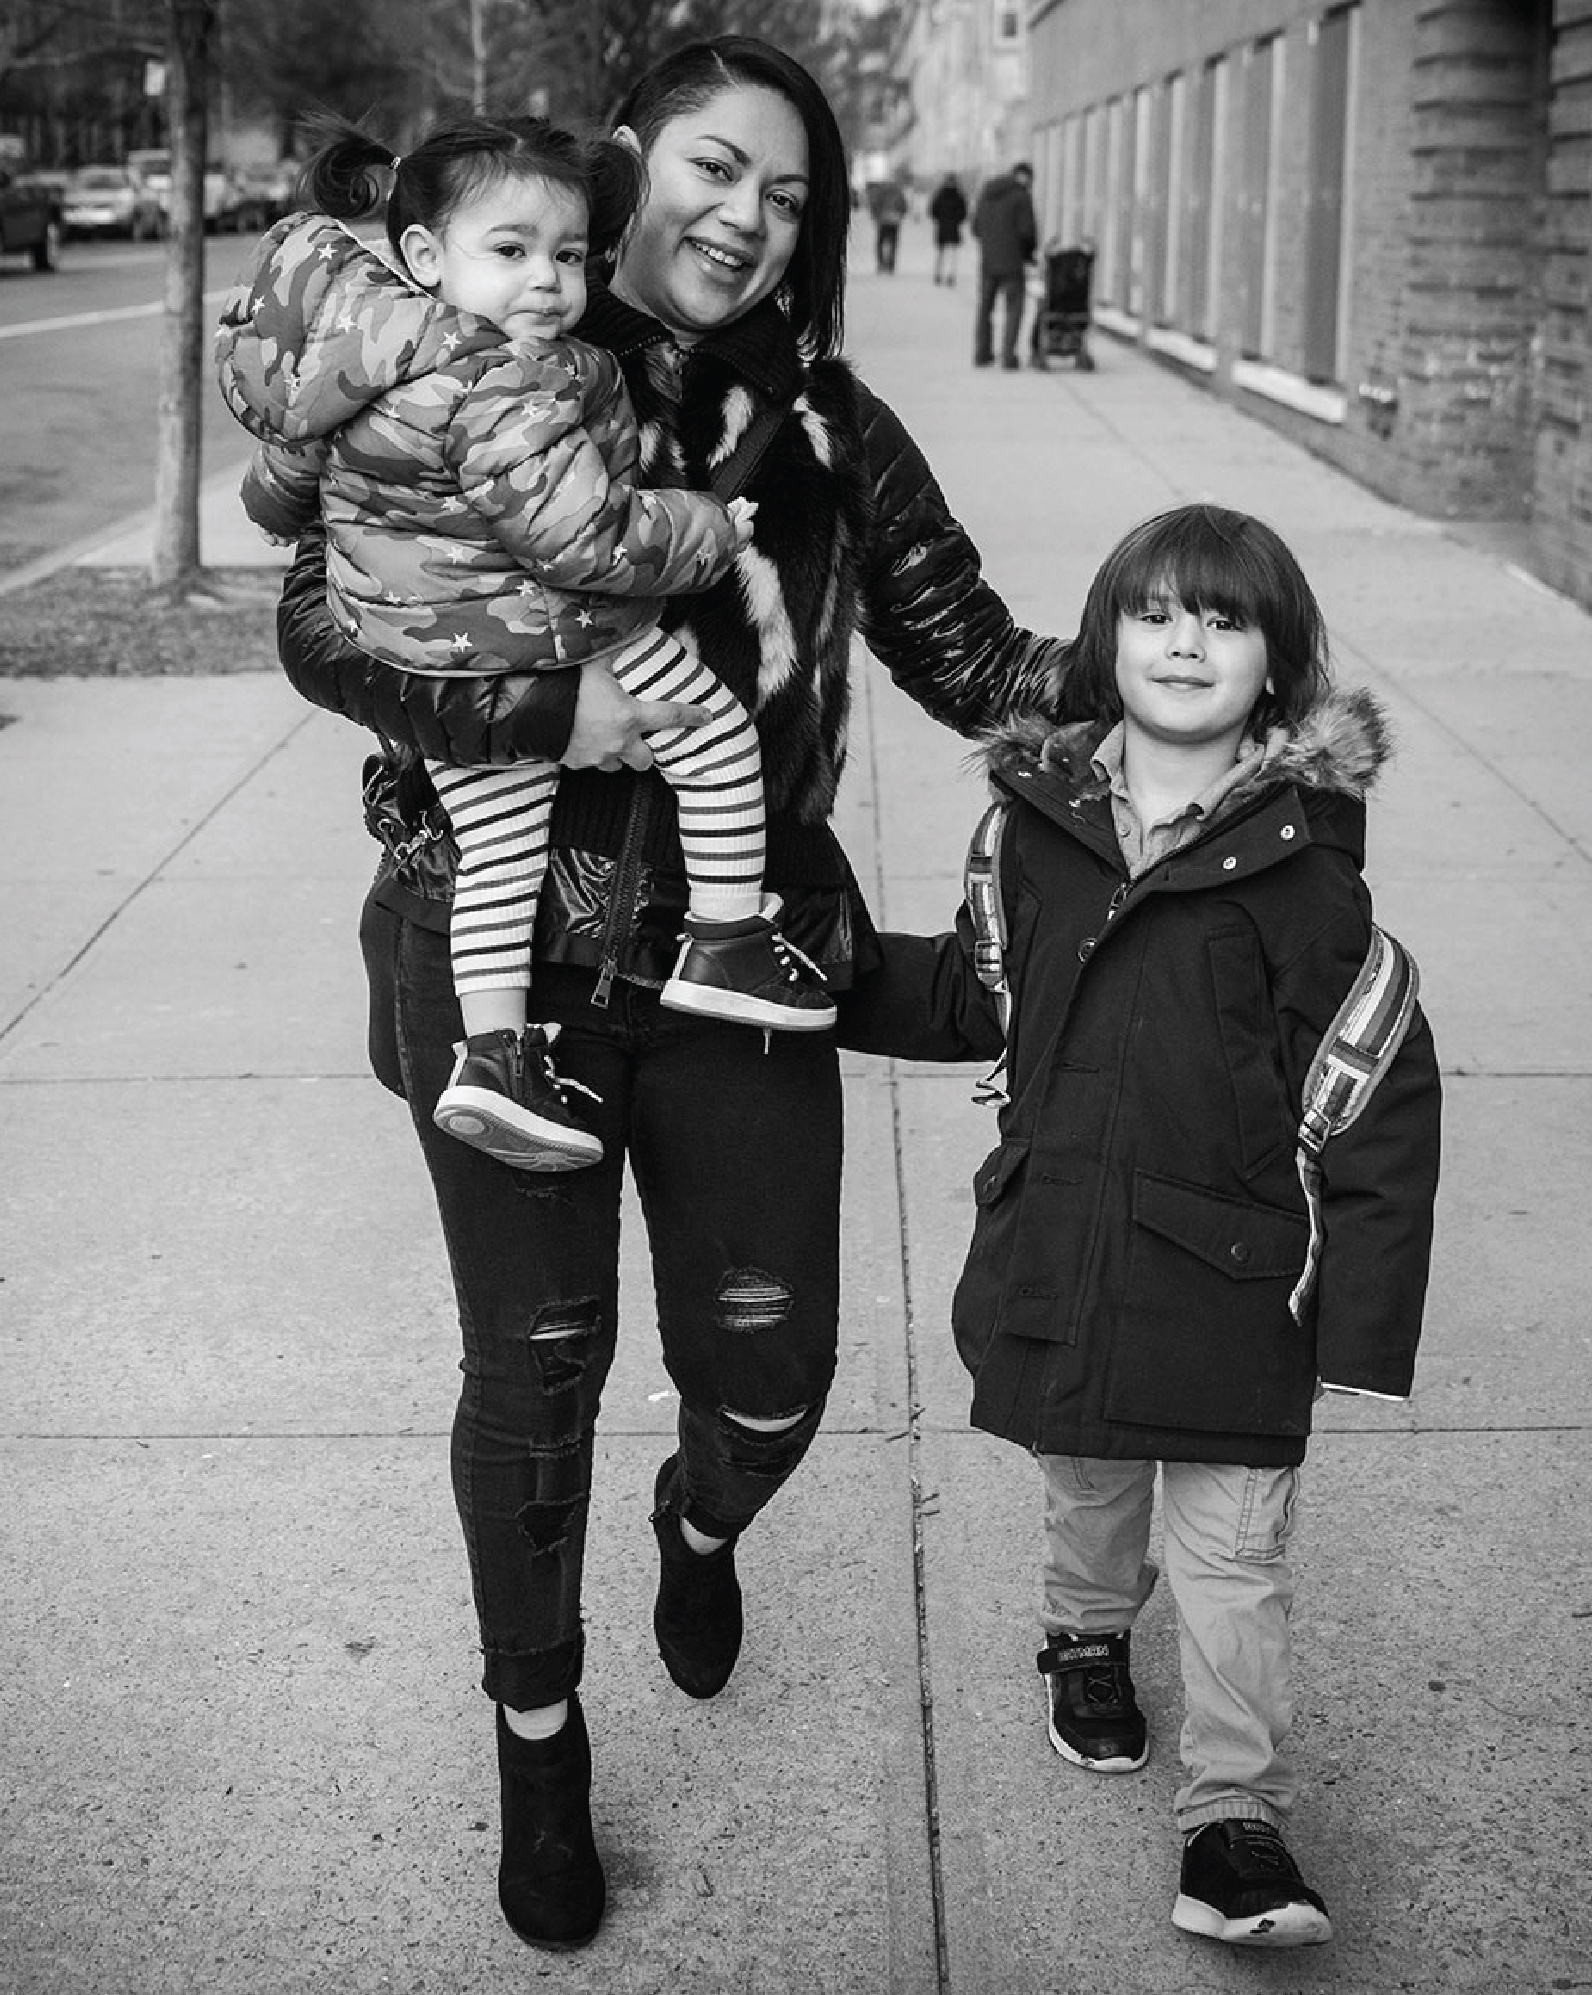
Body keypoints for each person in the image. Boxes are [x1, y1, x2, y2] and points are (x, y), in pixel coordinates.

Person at [270, 34, 1066, 1956]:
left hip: (742, 964)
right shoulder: (465, 357)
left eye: (790, 197)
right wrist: (547, 707)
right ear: (628, 164)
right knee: (531, 1381)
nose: (748, 219)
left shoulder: (824, 427)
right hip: (502, 957)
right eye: (718, 169)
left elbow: (969, 651)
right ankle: (538, 1760)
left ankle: (698, 1526)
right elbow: (318, 619)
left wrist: (1191, 685)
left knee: (775, 1386)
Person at [843, 504, 1442, 1949]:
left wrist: (1361, 1320)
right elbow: (984, 990)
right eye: (1157, 611)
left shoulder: (1309, 876)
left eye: (1224, 619)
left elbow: (1377, 1086)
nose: (1185, 639)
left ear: (1277, 665)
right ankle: (1088, 1637)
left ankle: (1233, 1822)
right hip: (1063, 1234)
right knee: (1092, 1484)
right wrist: (826, 977)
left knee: (1235, 1555)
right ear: (1107, 640)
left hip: (1237, 1272)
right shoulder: (1038, 829)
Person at [216, 115, 834, 1178]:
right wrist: (700, 529)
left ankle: (496, 1056)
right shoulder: (504, 378)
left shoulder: (348, 364)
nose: (548, 282)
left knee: (497, 855)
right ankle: (725, 939)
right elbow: (580, 536)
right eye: (511, 253)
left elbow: (280, 487)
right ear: (424, 256)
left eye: (565, 256)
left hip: (424, 651)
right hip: (541, 627)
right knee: (714, 740)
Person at [972, 160, 1037, 369]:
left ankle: (982, 353)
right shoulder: (1021, 195)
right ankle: (1008, 357)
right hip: (1012, 263)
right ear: (1025, 176)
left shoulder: (986, 193)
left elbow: (975, 227)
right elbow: (1027, 232)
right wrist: (1029, 254)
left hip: (988, 262)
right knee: (1014, 308)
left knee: (985, 308)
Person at [929, 171, 968, 285]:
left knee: (941, 253)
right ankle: (950, 275)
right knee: (951, 254)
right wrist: (956, 220)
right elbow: (964, 213)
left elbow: (933, 211)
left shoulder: (940, 194)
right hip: (953, 228)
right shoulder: (959, 196)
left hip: (942, 227)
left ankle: (939, 274)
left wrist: (940, 219)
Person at [868, 176, 908, 272]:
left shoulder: (881, 193)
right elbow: (904, 206)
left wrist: (876, 216)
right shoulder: (898, 193)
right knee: (892, 243)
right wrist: (900, 215)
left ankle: (882, 264)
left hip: (883, 222)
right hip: (894, 221)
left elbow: (875, 205)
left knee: (880, 243)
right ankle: (890, 265)